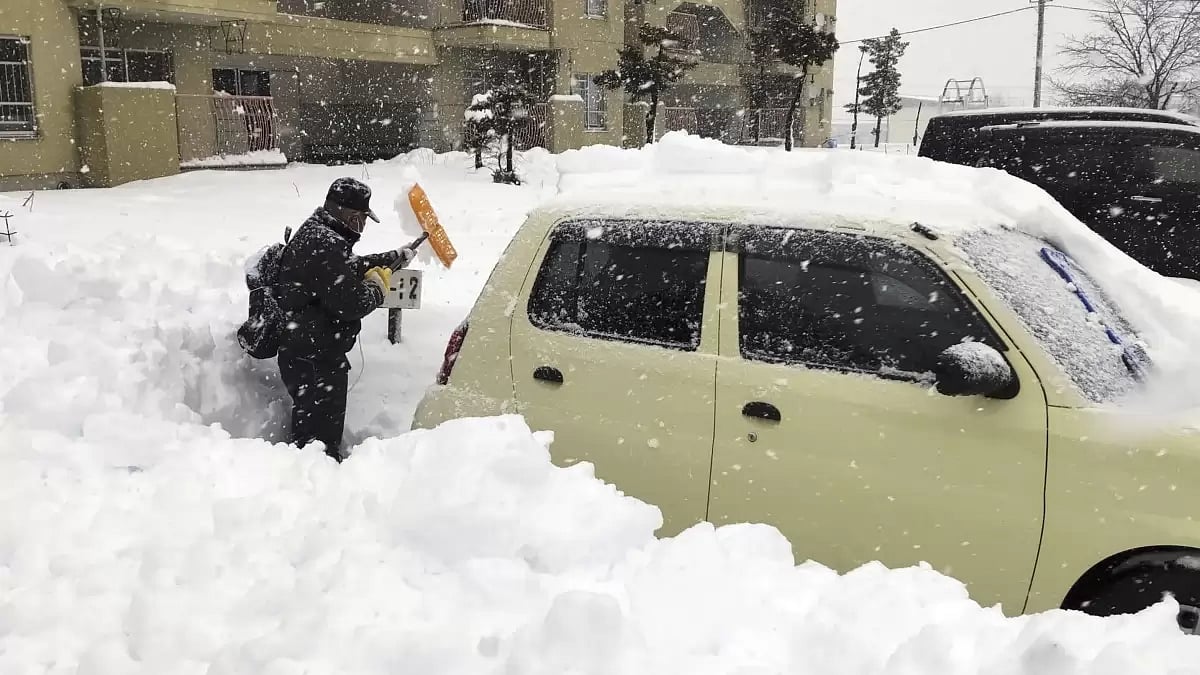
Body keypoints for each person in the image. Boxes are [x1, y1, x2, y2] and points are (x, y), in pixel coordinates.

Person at [275, 177, 417, 462]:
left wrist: (394, 257)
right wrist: (378, 289)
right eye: (363, 219)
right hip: (315, 360)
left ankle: (312, 477)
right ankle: (318, 486)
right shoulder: (326, 245)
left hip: (307, 353)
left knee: (311, 434)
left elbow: (349, 267)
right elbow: (352, 304)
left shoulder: (319, 234)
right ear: (351, 216)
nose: (363, 226)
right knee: (318, 444)